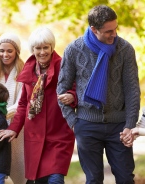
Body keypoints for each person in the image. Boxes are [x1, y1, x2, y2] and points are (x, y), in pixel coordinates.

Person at [57, 5, 140, 184]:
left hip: (119, 126)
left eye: (116, 28)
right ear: (94, 29)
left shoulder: (125, 49)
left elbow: (132, 89)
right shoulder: (73, 49)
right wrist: (74, 122)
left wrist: (129, 125)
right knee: (93, 179)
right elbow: (61, 89)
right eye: (108, 31)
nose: (114, 34)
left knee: (126, 178)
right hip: (86, 126)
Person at [0, 27, 76, 184]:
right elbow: (23, 103)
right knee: (39, 181)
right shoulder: (29, 68)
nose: (42, 52)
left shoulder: (63, 65)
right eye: (38, 48)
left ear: (52, 47)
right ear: (32, 49)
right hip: (35, 135)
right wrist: (13, 128)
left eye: (45, 47)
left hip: (58, 133)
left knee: (55, 178)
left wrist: (72, 96)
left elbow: (78, 88)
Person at [0, 32, 26, 184]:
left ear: (16, 52)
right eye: (2, 50)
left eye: (9, 50)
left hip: (17, 128)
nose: (5, 54)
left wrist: (0, 115)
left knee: (20, 169)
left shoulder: (23, 73)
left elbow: (21, 102)